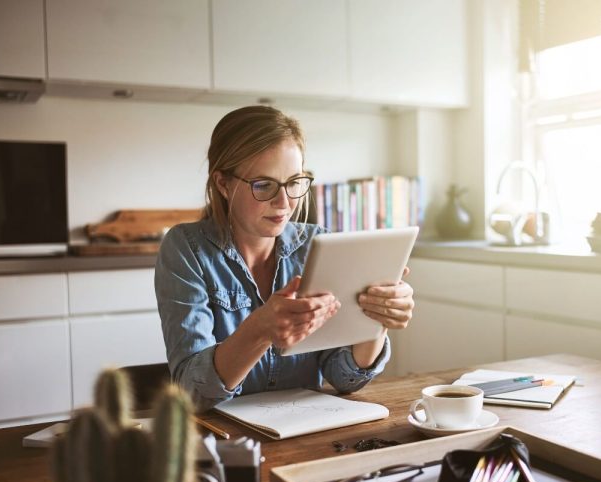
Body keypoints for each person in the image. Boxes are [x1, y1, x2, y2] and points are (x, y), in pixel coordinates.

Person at [154, 105, 415, 412]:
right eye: (264, 185)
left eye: (294, 183)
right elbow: (190, 391)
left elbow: (345, 378)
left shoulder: (319, 243)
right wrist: (259, 330)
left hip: (305, 433)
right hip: (225, 441)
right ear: (223, 184)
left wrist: (375, 320)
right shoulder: (186, 249)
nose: (284, 202)